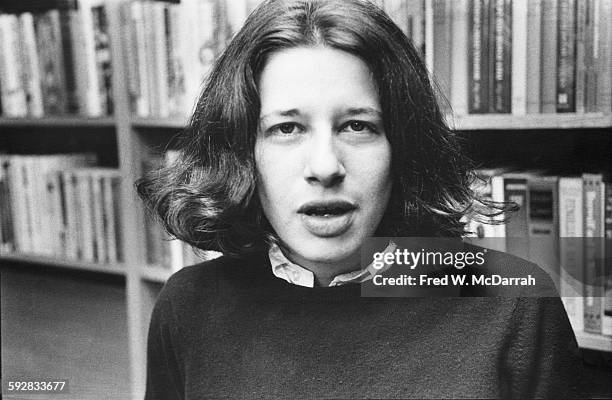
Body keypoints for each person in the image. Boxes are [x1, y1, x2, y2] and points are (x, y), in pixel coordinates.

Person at [137, 0, 584, 398]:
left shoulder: (515, 303)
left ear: (401, 147)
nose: (326, 166)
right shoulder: (187, 306)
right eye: (286, 128)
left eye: (357, 126)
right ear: (242, 153)